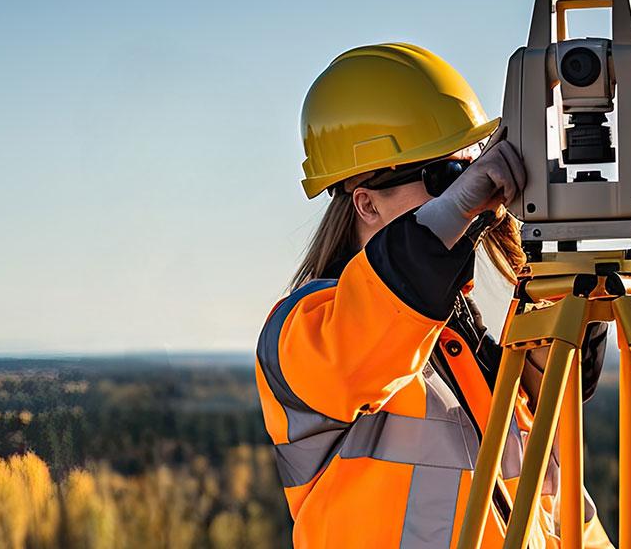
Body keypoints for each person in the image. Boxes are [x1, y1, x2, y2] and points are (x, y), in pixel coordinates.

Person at [256, 43, 611, 548]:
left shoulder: (462, 343)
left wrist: (565, 255)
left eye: (469, 170)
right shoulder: (303, 331)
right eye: (444, 178)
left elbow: (552, 505)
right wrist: (449, 217)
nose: (470, 191)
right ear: (366, 203)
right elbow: (373, 329)